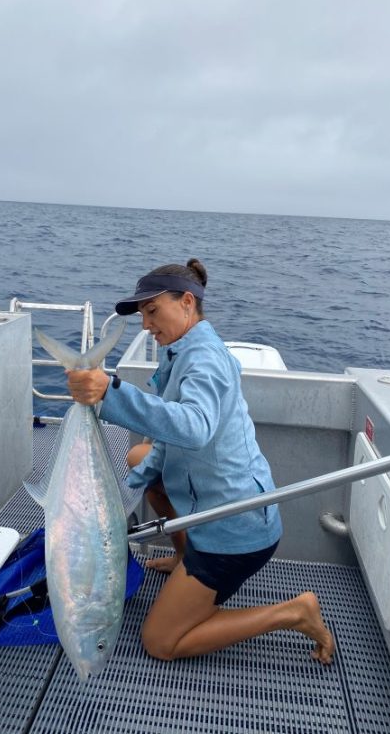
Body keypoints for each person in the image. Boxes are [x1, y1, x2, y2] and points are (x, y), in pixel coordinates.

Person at [67, 258, 335, 665]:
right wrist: (137, 480)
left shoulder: (205, 358)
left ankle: (294, 612)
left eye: (152, 311)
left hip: (236, 529)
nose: (146, 325)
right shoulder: (180, 350)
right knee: (140, 456)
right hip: (210, 500)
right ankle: (182, 555)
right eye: (142, 315)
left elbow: (193, 428)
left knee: (160, 642)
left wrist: (110, 394)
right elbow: (168, 440)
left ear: (187, 302)